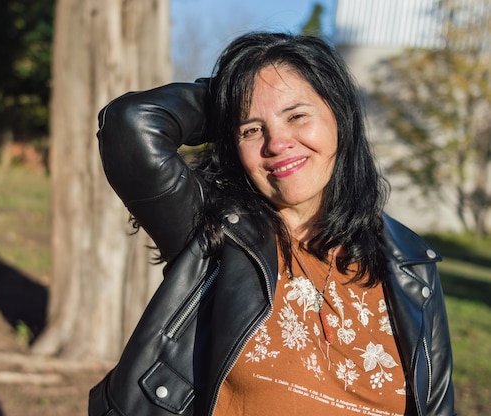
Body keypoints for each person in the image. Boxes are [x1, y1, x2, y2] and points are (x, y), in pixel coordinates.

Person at [89, 32, 455, 416]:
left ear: (340, 116)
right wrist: (236, 90)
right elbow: (130, 124)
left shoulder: (410, 265)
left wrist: (252, 94)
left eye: (296, 115)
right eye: (251, 129)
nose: (276, 143)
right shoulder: (216, 232)